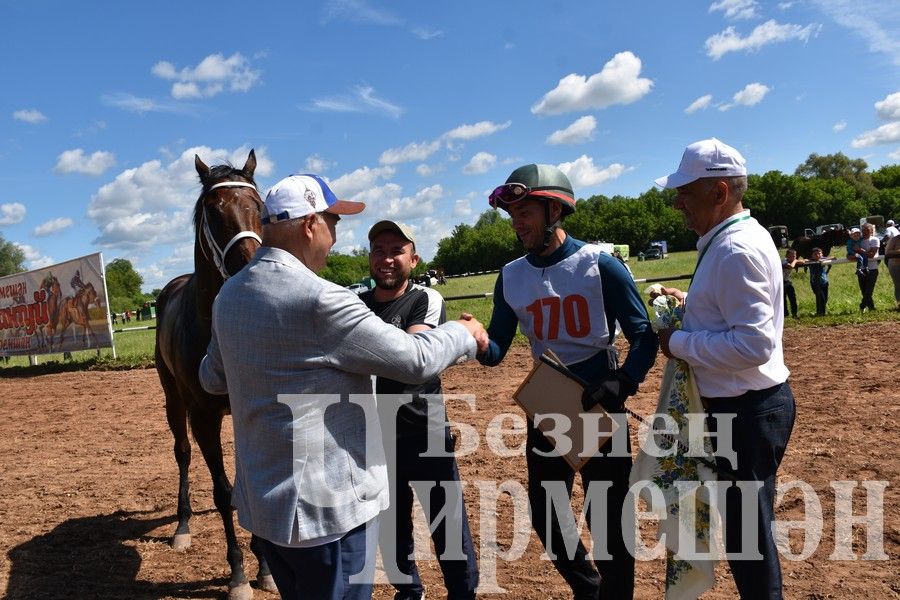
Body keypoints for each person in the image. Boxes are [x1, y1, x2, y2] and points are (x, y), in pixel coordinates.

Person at [198, 174, 488, 600]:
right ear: (311, 224)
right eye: (333, 224)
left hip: (266, 512)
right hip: (328, 513)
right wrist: (465, 333)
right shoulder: (323, 299)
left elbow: (210, 377)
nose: (334, 237)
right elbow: (416, 360)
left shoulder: (228, 297)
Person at [477, 164, 658, 600]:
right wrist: (475, 341)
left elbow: (643, 335)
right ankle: (589, 589)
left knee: (609, 520)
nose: (517, 222)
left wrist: (626, 382)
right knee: (546, 514)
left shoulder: (600, 265)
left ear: (555, 209)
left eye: (525, 212)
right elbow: (498, 348)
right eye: (512, 214)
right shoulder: (511, 276)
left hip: (599, 395)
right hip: (549, 399)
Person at [653, 138, 796, 599]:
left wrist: (677, 341)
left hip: (746, 409)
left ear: (719, 192)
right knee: (748, 526)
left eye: (686, 192)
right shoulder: (730, 242)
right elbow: (734, 318)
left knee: (747, 537)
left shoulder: (736, 250)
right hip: (749, 405)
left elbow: (752, 343)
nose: (678, 203)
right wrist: (691, 307)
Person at [360, 220, 478, 600]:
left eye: (396, 250)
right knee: (390, 528)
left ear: (414, 258)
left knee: (447, 524)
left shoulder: (426, 299)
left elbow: (410, 357)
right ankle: (409, 592)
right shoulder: (355, 305)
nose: (387, 258)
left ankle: (462, 594)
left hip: (423, 431)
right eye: (379, 250)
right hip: (373, 438)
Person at [856, 222, 881, 313]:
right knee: (864, 291)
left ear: (871, 231)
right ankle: (871, 308)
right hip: (861, 268)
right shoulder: (859, 240)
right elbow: (853, 251)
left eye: (867, 230)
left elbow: (872, 254)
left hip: (873, 268)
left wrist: (860, 251)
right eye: (863, 230)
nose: (865, 232)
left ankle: (862, 306)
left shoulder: (875, 240)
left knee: (869, 290)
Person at [807, 247, 832, 316]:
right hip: (815, 283)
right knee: (821, 298)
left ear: (822, 254)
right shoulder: (810, 261)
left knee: (825, 298)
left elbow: (833, 257)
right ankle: (821, 313)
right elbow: (803, 261)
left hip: (824, 282)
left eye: (819, 253)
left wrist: (824, 260)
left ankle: (820, 312)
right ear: (812, 255)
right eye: (815, 254)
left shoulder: (823, 259)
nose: (817, 255)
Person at [781, 249, 802, 318]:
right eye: (790, 256)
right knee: (783, 298)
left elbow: (804, 261)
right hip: (781, 282)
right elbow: (790, 266)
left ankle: (794, 314)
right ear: (786, 256)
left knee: (793, 298)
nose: (793, 258)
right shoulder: (784, 261)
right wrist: (796, 261)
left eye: (794, 256)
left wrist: (798, 261)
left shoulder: (793, 261)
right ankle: (785, 313)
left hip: (788, 281)